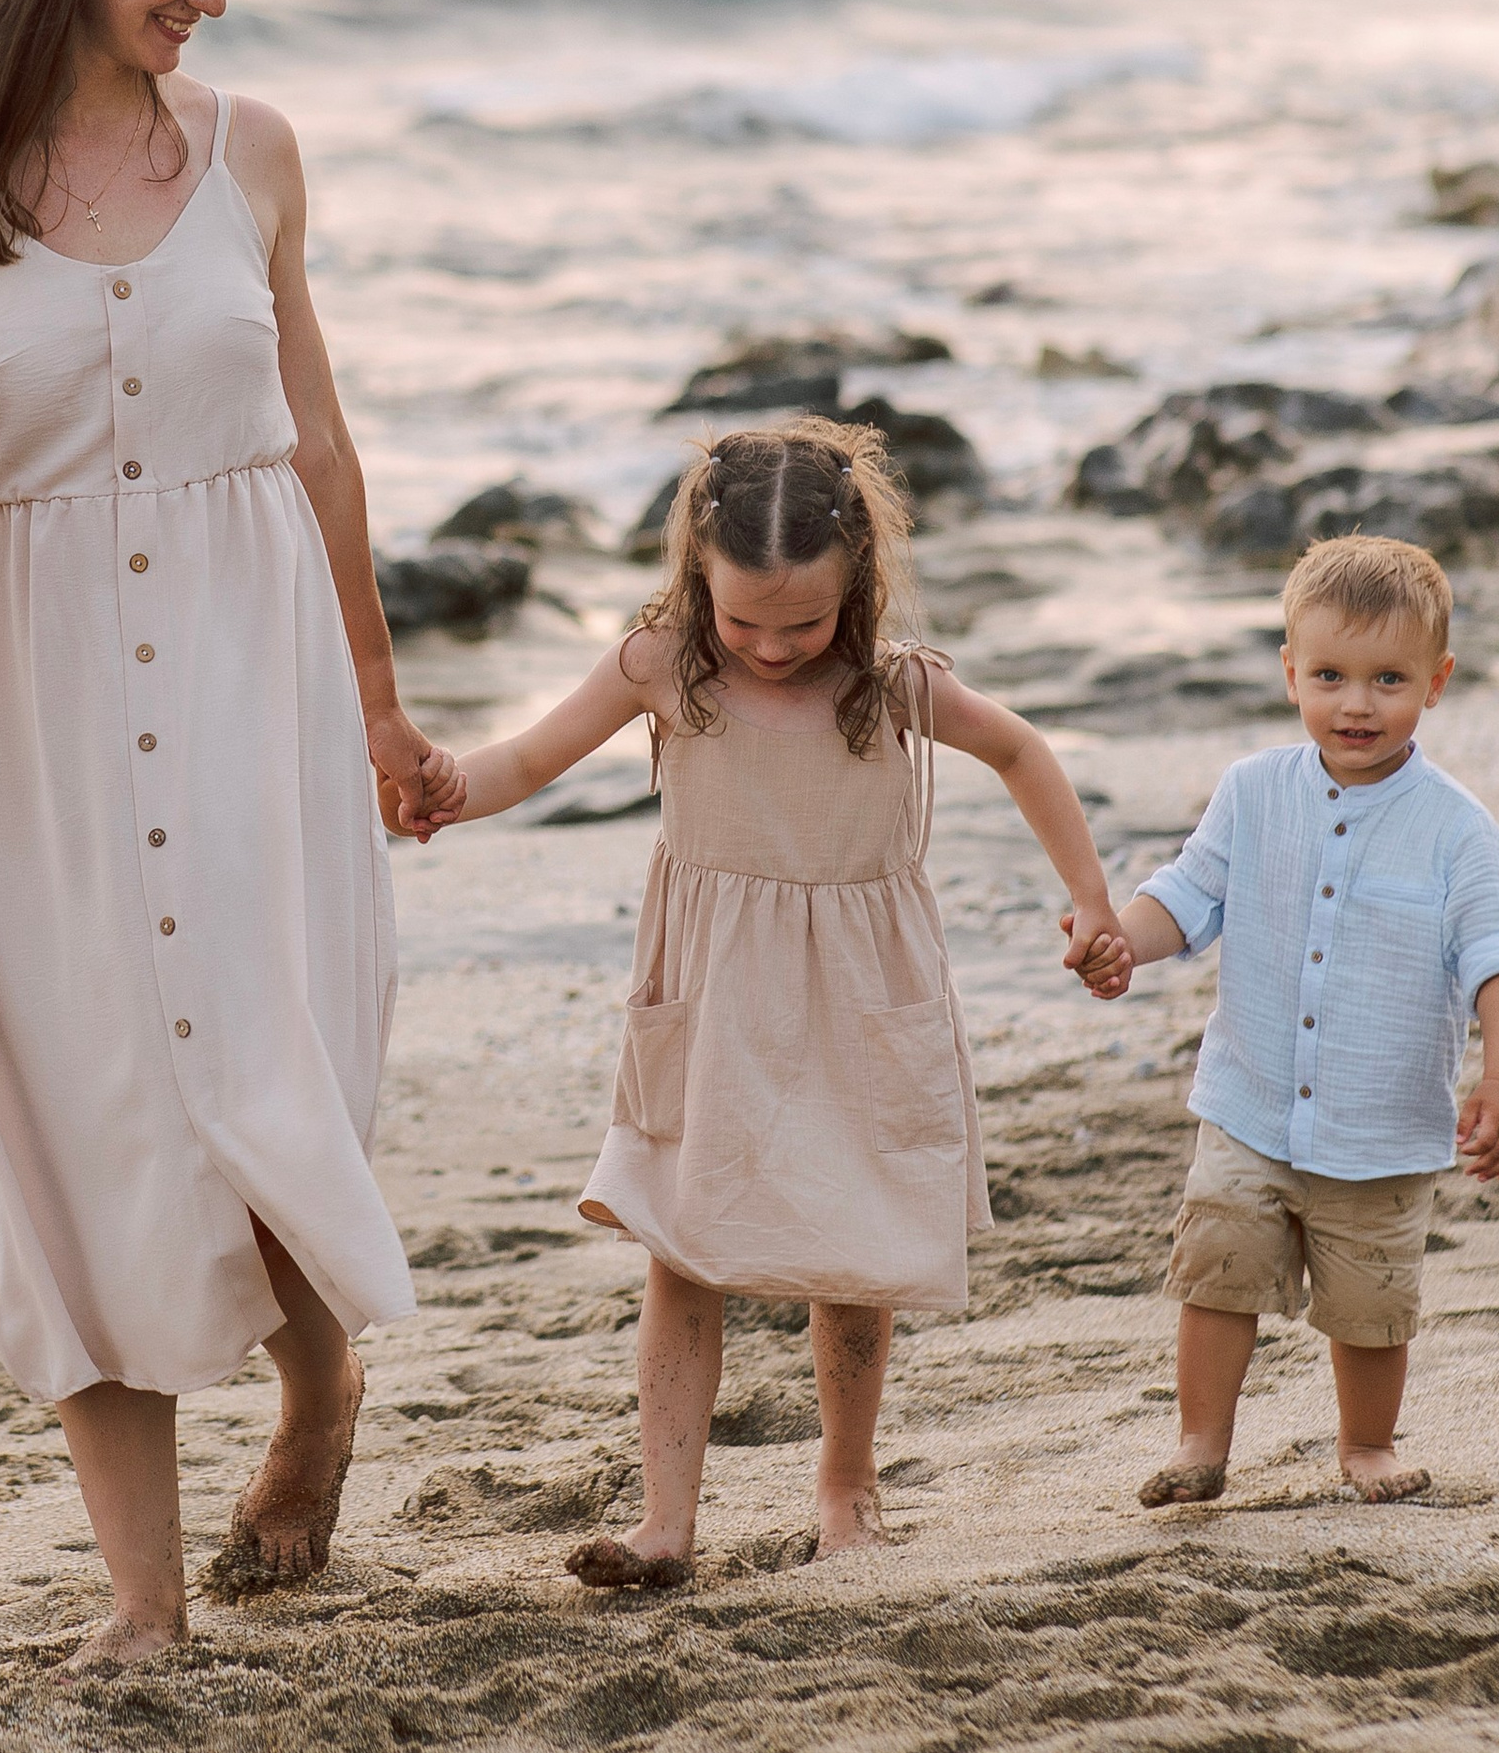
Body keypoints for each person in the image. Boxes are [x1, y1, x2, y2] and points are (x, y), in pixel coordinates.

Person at [0, 0, 448, 1667]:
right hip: (37, 702)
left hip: (257, 668)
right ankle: (143, 1601)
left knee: (268, 1077)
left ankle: (317, 1393)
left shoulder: (253, 150)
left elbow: (320, 439)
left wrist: (376, 693)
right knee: (81, 1108)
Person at [411, 418, 1123, 1583]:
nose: (774, 645)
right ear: (696, 574)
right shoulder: (662, 666)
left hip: (858, 997)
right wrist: (441, 789)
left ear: (861, 582)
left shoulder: (889, 684)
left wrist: (1089, 898)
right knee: (682, 1248)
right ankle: (666, 1521)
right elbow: (527, 763)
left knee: (853, 1252)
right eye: (744, 618)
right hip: (711, 1001)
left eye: (805, 621)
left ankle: (846, 1486)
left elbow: (1024, 753)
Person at [1081, 534, 1499, 1508]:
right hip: (1248, 1098)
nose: (1356, 703)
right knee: (1216, 1267)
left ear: (1435, 683)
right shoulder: (1250, 790)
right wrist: (1119, 944)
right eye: (1329, 675)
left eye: (1387, 678)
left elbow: (1490, 962)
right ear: (1288, 672)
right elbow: (1184, 897)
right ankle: (1198, 1443)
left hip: (1382, 1124)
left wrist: (1492, 1074)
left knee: (1370, 1302)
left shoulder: (1457, 828)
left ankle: (1365, 1445)